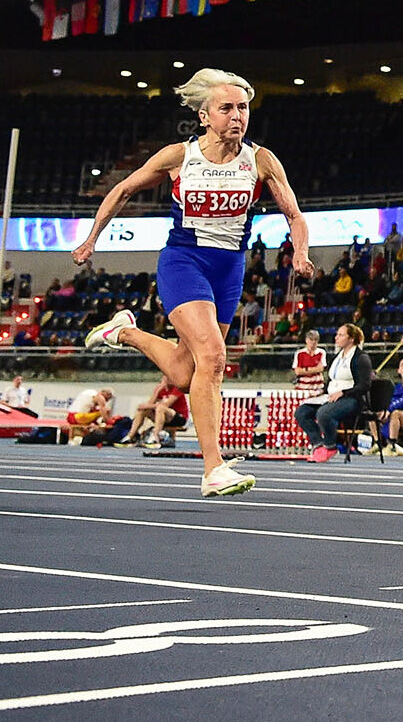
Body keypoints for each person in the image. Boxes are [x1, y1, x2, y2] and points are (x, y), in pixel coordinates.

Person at [80, 68, 313, 496]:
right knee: (214, 356)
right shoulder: (179, 156)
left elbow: (294, 215)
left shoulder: (260, 160)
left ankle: (125, 332)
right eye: (227, 108)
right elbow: (123, 189)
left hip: (229, 269)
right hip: (184, 261)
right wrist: (92, 238)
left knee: (186, 372)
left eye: (243, 108)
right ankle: (213, 468)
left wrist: (300, 252)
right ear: (205, 116)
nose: (237, 116)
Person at [294, 324, 370, 462]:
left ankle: (330, 446)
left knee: (323, 413)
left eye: (341, 335)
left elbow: (364, 385)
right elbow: (331, 380)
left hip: (352, 399)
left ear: (351, 339)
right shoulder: (337, 357)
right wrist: (321, 393)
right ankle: (318, 445)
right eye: (337, 334)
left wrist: (344, 392)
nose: (336, 337)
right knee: (302, 412)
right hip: (331, 396)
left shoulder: (361, 358)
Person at [123, 380, 188, 450]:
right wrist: (157, 391)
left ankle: (155, 435)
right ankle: (131, 436)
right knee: (142, 410)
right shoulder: (160, 389)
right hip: (163, 417)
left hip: (179, 417)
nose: (167, 381)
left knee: (160, 408)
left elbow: (166, 404)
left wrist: (148, 406)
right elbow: (150, 403)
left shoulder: (177, 389)